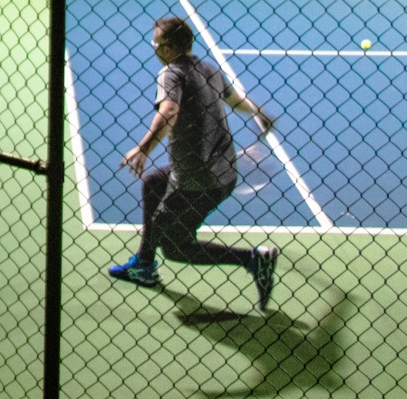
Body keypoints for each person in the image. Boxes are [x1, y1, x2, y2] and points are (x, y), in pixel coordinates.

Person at [109, 16, 279, 311]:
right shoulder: (210, 70)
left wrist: (143, 148)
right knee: (152, 183)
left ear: (169, 47)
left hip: (196, 178)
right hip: (223, 171)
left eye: (156, 43)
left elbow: (170, 109)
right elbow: (234, 99)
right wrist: (258, 111)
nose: (153, 48)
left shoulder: (170, 74)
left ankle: (252, 259)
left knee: (175, 246)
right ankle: (145, 264)